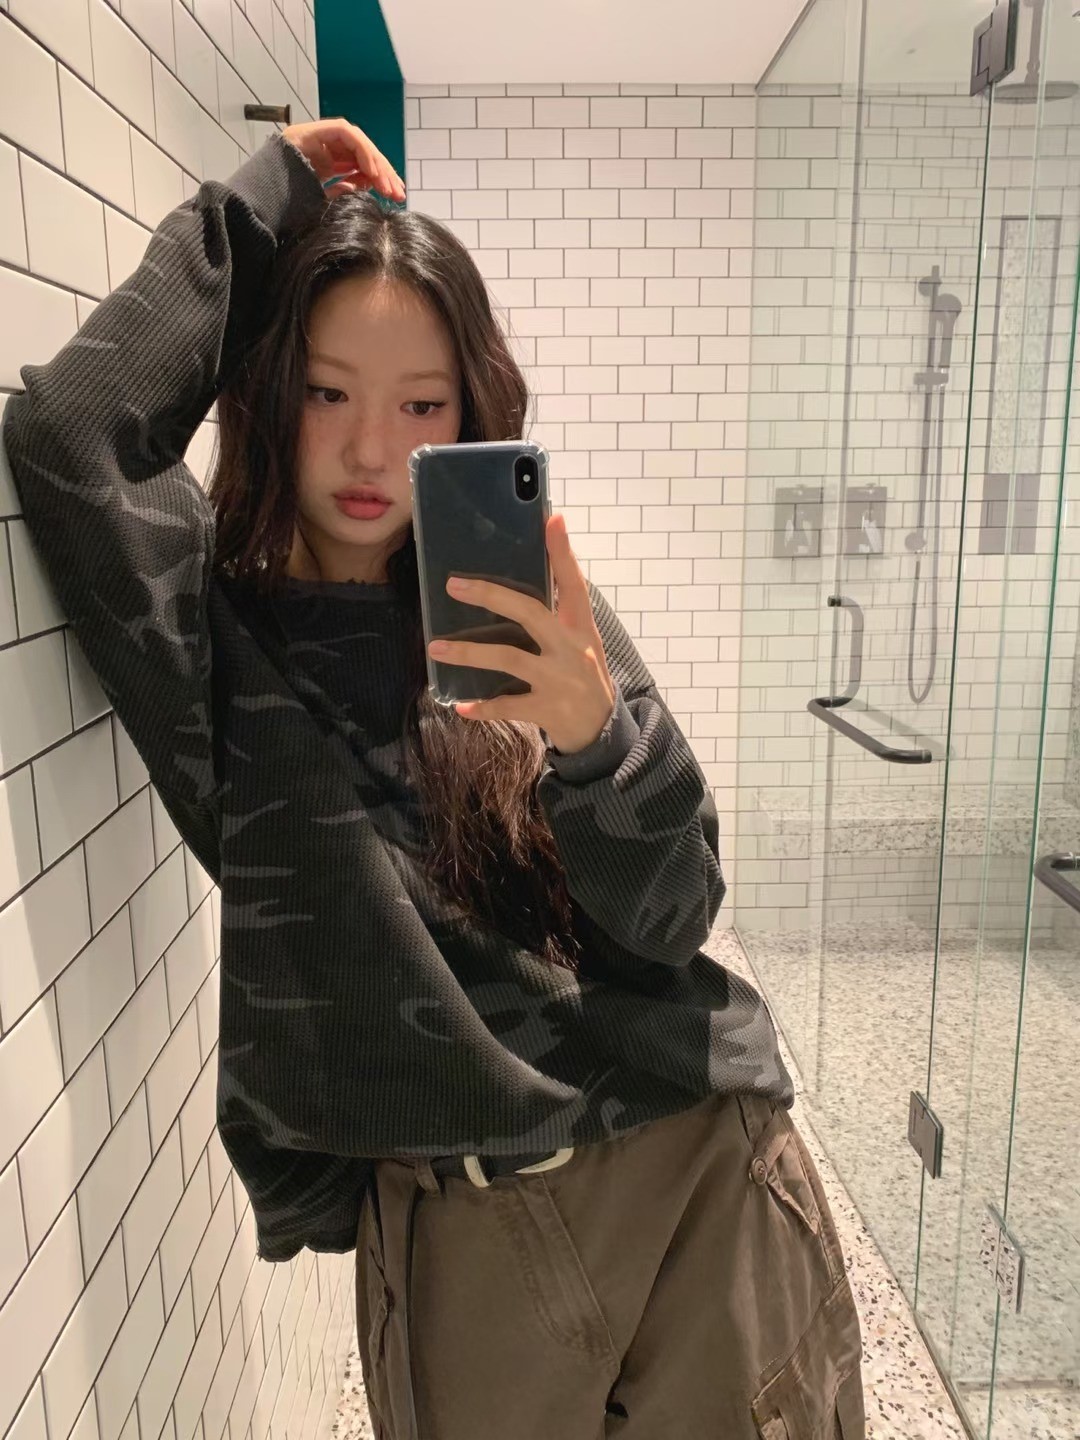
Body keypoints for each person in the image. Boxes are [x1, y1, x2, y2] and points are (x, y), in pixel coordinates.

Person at [2, 118, 865, 1440]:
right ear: (271, 395)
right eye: (328, 392)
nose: (369, 451)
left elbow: (673, 920)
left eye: (421, 405)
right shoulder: (211, 638)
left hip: (697, 1178)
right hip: (462, 1240)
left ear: (470, 416)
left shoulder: (516, 605)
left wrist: (597, 741)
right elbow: (71, 433)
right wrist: (267, 197)